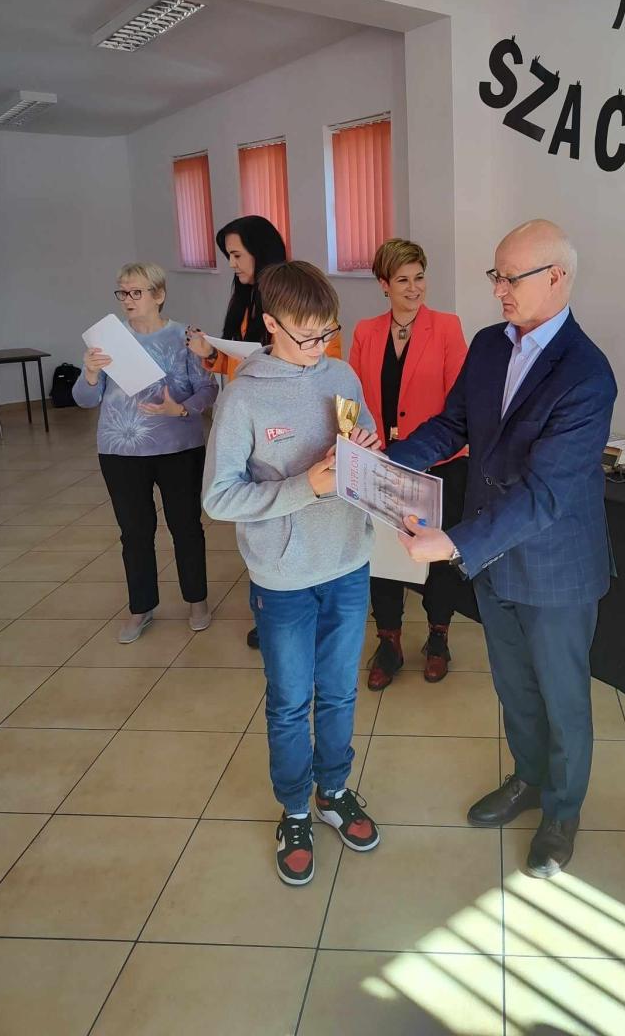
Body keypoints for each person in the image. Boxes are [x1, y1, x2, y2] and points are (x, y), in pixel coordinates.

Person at [389, 219, 616, 878]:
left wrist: (454, 542)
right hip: (494, 559)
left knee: (562, 699)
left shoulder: (587, 373)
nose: (498, 291)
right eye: (496, 275)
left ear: (556, 278)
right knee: (515, 687)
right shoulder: (490, 344)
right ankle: (528, 779)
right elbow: (454, 424)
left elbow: (547, 494)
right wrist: (389, 465)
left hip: (555, 567)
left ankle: (562, 812)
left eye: (510, 278)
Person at [202, 260, 382, 887]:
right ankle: (296, 809)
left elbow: (364, 433)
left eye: (328, 333)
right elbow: (219, 497)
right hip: (282, 575)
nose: (319, 347)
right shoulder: (243, 395)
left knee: (339, 690)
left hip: (348, 561)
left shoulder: (341, 373)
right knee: (289, 701)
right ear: (271, 324)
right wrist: (307, 485)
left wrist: (367, 452)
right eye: (306, 336)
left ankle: (333, 790)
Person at [186, 215, 342, 649]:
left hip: (335, 544)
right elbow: (221, 496)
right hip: (256, 416)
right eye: (228, 256)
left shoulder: (312, 321)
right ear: (273, 325)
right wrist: (211, 353)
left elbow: (327, 367)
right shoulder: (244, 303)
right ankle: (270, 607)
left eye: (237, 254)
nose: (233, 264)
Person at [74, 262, 218, 643]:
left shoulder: (185, 337)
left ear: (159, 295)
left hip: (179, 448)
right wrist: (90, 374)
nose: (128, 299)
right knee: (134, 532)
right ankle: (141, 607)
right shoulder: (108, 340)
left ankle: (197, 600)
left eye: (136, 292)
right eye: (122, 292)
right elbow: (84, 400)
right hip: (119, 451)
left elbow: (208, 390)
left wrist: (180, 409)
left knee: (186, 527)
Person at [349, 239, 469, 687]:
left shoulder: (447, 327)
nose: (414, 287)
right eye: (402, 280)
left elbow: (460, 403)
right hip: (382, 462)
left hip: (440, 462)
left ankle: (438, 637)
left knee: (437, 556)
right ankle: (389, 641)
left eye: (419, 277)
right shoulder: (366, 332)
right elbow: (354, 399)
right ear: (384, 284)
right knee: (384, 554)